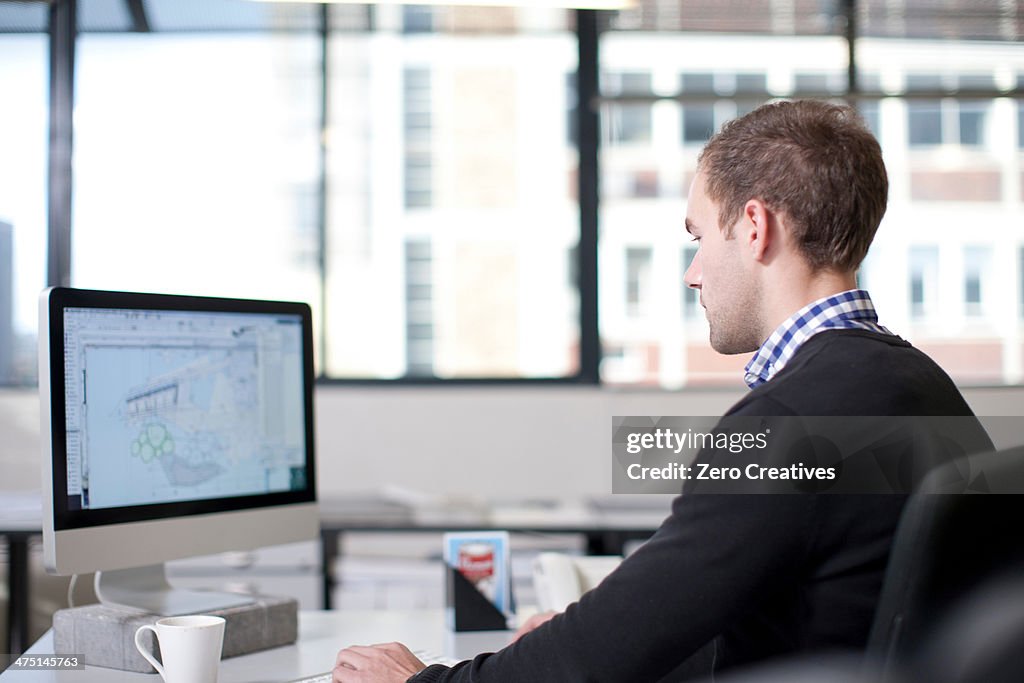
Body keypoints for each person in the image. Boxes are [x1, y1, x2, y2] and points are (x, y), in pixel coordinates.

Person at [329, 100, 991, 683]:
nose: (693, 272)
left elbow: (588, 664)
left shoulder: (785, 426)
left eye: (700, 237)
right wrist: (602, 634)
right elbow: (808, 626)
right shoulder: (925, 388)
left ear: (755, 227)